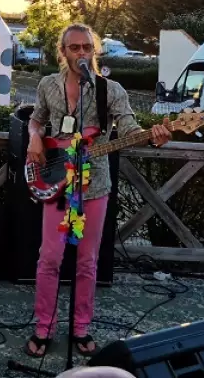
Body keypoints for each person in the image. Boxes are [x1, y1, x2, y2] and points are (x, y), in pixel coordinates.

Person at [24, 24, 171, 359]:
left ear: (95, 51)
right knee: (50, 258)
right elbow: (36, 119)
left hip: (95, 185)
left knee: (87, 261)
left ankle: (80, 327)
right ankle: (44, 326)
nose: (81, 53)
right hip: (57, 181)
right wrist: (34, 136)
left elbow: (129, 128)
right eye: (74, 47)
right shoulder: (48, 85)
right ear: (63, 52)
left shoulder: (110, 89)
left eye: (87, 47)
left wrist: (153, 135)